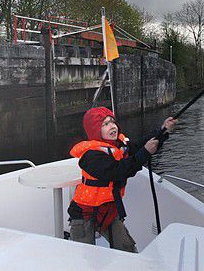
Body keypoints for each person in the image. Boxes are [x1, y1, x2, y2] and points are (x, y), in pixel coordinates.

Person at [67, 106, 176, 252]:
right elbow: (118, 171)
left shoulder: (119, 145)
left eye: (112, 121)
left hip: (109, 210)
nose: (112, 126)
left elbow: (138, 145)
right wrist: (145, 153)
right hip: (84, 212)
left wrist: (162, 131)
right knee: (83, 253)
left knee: (127, 247)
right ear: (95, 130)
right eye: (105, 124)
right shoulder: (91, 157)